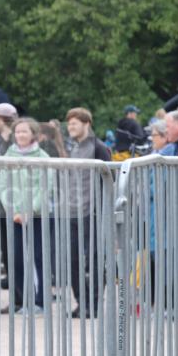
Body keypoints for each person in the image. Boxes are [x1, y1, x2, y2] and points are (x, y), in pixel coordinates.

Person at [0, 118, 52, 314]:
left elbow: (46, 187)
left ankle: (41, 301)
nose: (20, 135)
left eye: (24, 132)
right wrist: (13, 210)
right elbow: (3, 185)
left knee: (38, 257)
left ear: (34, 134)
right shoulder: (8, 155)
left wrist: (31, 211)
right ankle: (24, 300)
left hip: (37, 216)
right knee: (16, 258)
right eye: (18, 132)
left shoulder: (43, 157)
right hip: (14, 216)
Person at [64, 108, 112, 318]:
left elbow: (108, 180)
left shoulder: (99, 148)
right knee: (72, 259)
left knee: (94, 259)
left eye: (74, 123)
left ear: (86, 123)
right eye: (69, 124)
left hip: (93, 211)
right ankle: (81, 301)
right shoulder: (74, 148)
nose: (70, 127)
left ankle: (93, 302)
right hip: (74, 210)